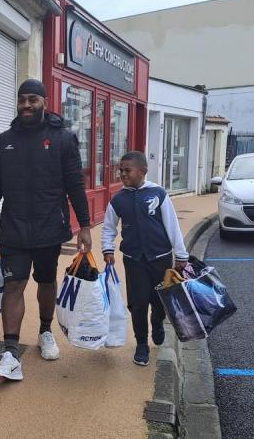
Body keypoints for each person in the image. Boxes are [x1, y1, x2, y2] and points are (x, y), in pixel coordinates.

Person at [0, 79, 91, 381]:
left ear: (44, 102)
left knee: (46, 280)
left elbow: (75, 184)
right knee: (13, 285)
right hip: (13, 228)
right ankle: (11, 352)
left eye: (32, 100)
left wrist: (85, 225)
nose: (26, 105)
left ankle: (45, 331)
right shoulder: (5, 139)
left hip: (49, 226)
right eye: (22, 100)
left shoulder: (63, 139)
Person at [101, 151, 188, 366]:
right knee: (137, 303)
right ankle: (141, 343)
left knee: (159, 300)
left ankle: (157, 322)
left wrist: (181, 254)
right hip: (134, 259)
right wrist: (108, 249)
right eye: (120, 170)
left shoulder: (158, 194)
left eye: (127, 170)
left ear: (143, 171)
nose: (122, 174)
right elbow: (109, 228)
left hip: (160, 258)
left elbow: (172, 226)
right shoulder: (118, 199)